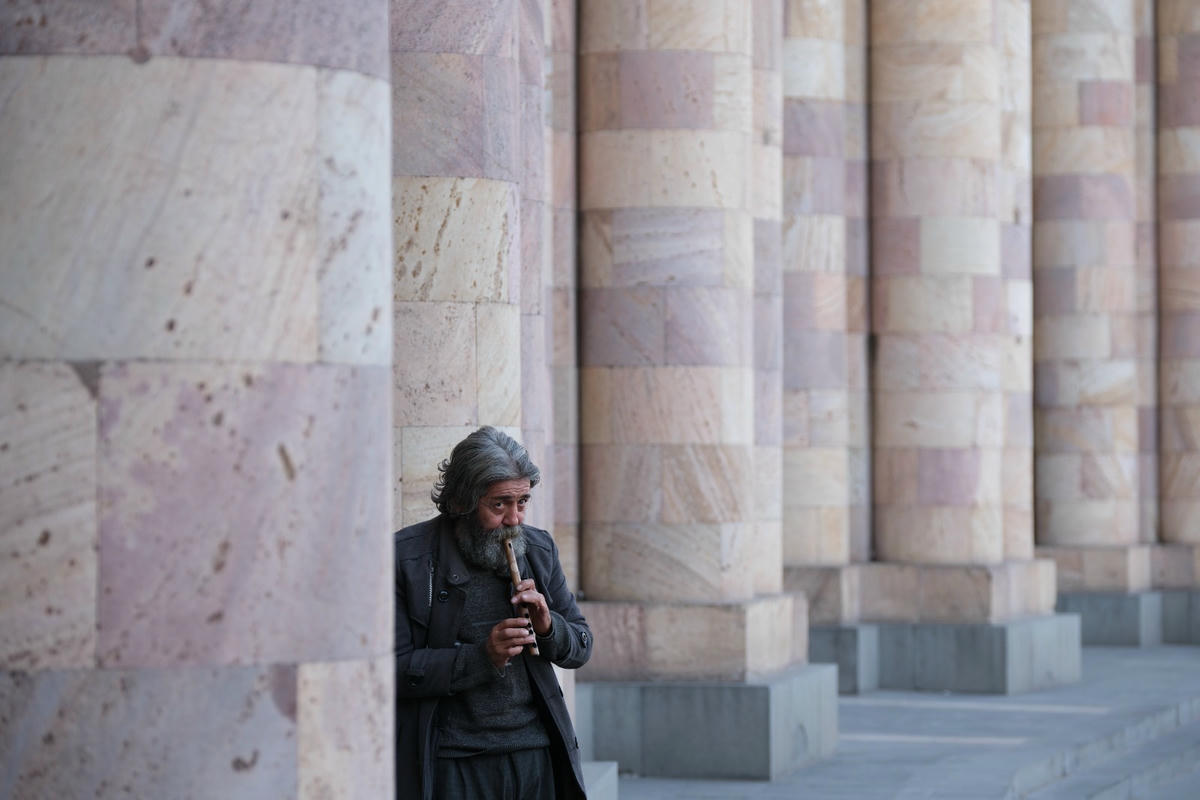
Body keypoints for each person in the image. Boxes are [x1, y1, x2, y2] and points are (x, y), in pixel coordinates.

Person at [394, 426, 592, 800]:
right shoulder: (408, 557)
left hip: (534, 754)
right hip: (452, 761)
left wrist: (549, 627)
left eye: (522, 502)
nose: (515, 519)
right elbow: (392, 670)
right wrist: (482, 658)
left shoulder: (538, 549)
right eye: (499, 505)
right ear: (461, 502)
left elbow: (581, 647)